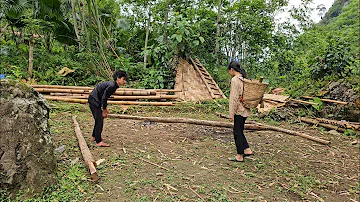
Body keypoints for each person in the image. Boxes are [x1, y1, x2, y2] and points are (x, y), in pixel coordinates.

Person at [88, 70, 128, 147]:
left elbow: (104, 97)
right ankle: (98, 141)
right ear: (118, 78)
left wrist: (104, 108)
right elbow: (104, 98)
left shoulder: (114, 85)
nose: (124, 81)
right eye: (123, 79)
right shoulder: (112, 86)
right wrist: (104, 110)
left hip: (95, 100)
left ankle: (94, 137)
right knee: (99, 120)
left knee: (98, 119)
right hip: (94, 100)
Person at [227, 61, 253, 162]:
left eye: (229, 71)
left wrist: (231, 113)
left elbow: (234, 98)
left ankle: (239, 155)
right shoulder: (244, 79)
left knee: (237, 132)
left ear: (232, 70)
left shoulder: (235, 80)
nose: (229, 73)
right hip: (246, 110)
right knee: (240, 130)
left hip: (239, 110)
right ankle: (247, 149)